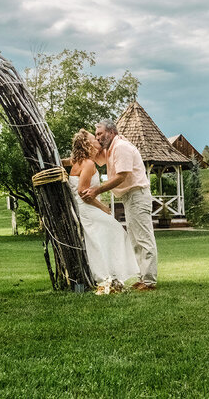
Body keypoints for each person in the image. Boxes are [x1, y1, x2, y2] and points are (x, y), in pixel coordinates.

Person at [82, 119, 158, 291]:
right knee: (136, 239)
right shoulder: (110, 150)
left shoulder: (121, 147)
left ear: (111, 132)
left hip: (137, 195)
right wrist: (85, 138)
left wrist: (97, 190)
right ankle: (143, 278)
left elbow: (122, 176)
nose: (98, 138)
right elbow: (92, 155)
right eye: (96, 135)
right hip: (130, 197)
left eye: (100, 134)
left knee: (143, 238)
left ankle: (149, 281)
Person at [65, 129, 139, 295]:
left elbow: (68, 163)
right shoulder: (88, 164)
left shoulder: (78, 162)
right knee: (116, 232)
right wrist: (103, 208)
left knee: (99, 240)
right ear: (87, 144)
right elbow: (84, 193)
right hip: (87, 208)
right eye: (94, 138)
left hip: (83, 208)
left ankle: (110, 275)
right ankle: (108, 275)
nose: (97, 140)